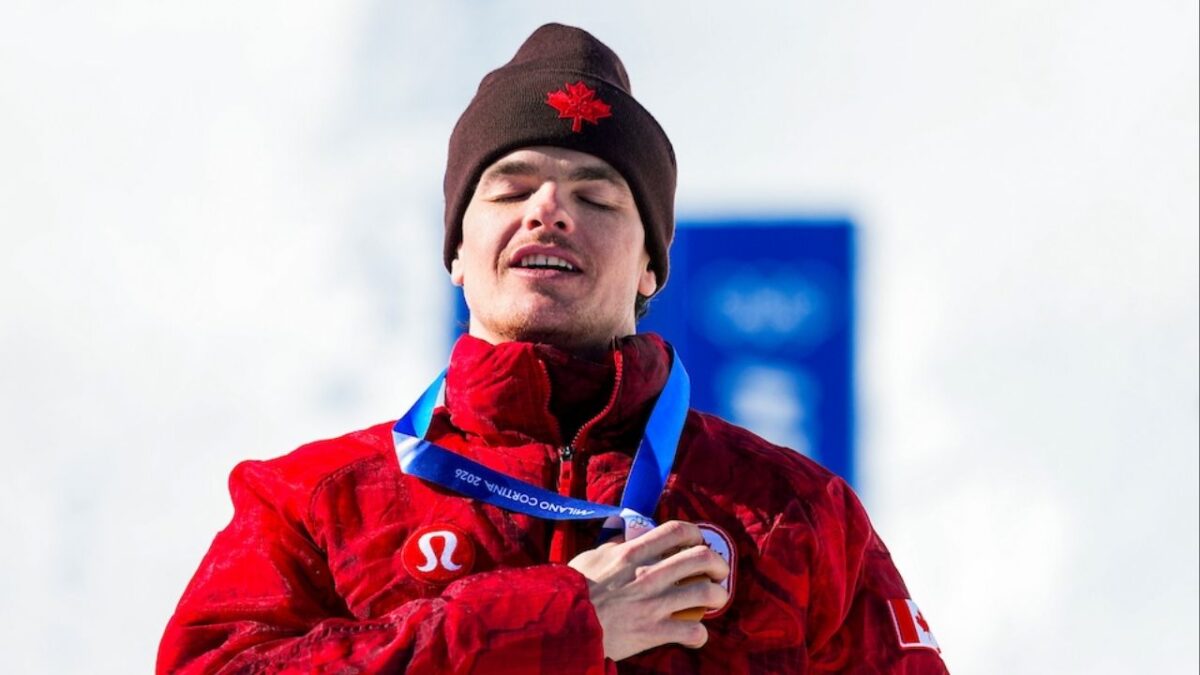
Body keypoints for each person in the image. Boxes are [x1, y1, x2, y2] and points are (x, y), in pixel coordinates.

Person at [158, 23, 949, 674]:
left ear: (650, 266)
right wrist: (557, 620)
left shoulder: (795, 513)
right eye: (508, 189)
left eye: (597, 196)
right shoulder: (313, 503)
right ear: (458, 254)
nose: (547, 212)